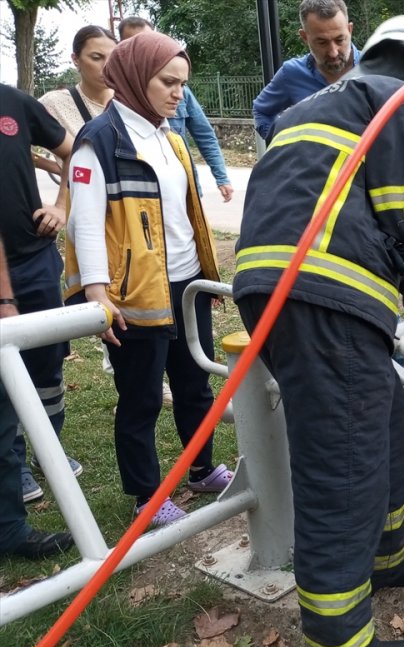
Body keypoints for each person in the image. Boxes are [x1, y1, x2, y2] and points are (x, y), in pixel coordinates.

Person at [233, 16, 404, 647]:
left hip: (275, 284)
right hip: (324, 296)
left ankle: (387, 551)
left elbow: (354, 207)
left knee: (382, 427)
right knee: (341, 468)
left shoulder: (324, 99)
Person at [64, 31, 233, 527]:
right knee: (139, 398)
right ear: (138, 77)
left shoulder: (171, 138)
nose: (178, 93)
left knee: (194, 384)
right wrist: (98, 295)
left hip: (186, 286)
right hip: (133, 295)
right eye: (168, 82)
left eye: (182, 83)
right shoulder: (100, 142)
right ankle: (147, 497)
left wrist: (204, 273)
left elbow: (186, 215)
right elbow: (85, 223)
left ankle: (201, 469)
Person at [0, 83, 79, 504]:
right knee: (2, 372)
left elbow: (74, 151)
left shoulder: (13, 103)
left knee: (48, 363)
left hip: (35, 260)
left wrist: (61, 206)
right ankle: (12, 462)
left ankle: (49, 450)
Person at [0, 237, 75, 560]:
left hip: (32, 259)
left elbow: (70, 183)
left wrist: (60, 202)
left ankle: (9, 527)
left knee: (35, 379)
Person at [118, 17, 234, 203]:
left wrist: (222, 177)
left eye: (150, 41)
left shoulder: (180, 92)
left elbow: (204, 135)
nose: (177, 93)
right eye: (134, 44)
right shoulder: (115, 101)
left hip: (183, 192)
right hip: (139, 198)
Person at [251, 0, 359, 142]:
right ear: (304, 37)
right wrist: (283, 147)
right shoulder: (291, 74)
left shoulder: (377, 68)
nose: (333, 52)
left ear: (349, 29)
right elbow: (262, 111)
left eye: (340, 40)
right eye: (322, 42)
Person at [37, 26, 116, 154]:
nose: (107, 66)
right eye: (96, 57)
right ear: (75, 59)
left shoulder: (129, 101)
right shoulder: (54, 103)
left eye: (113, 58)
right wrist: (59, 167)